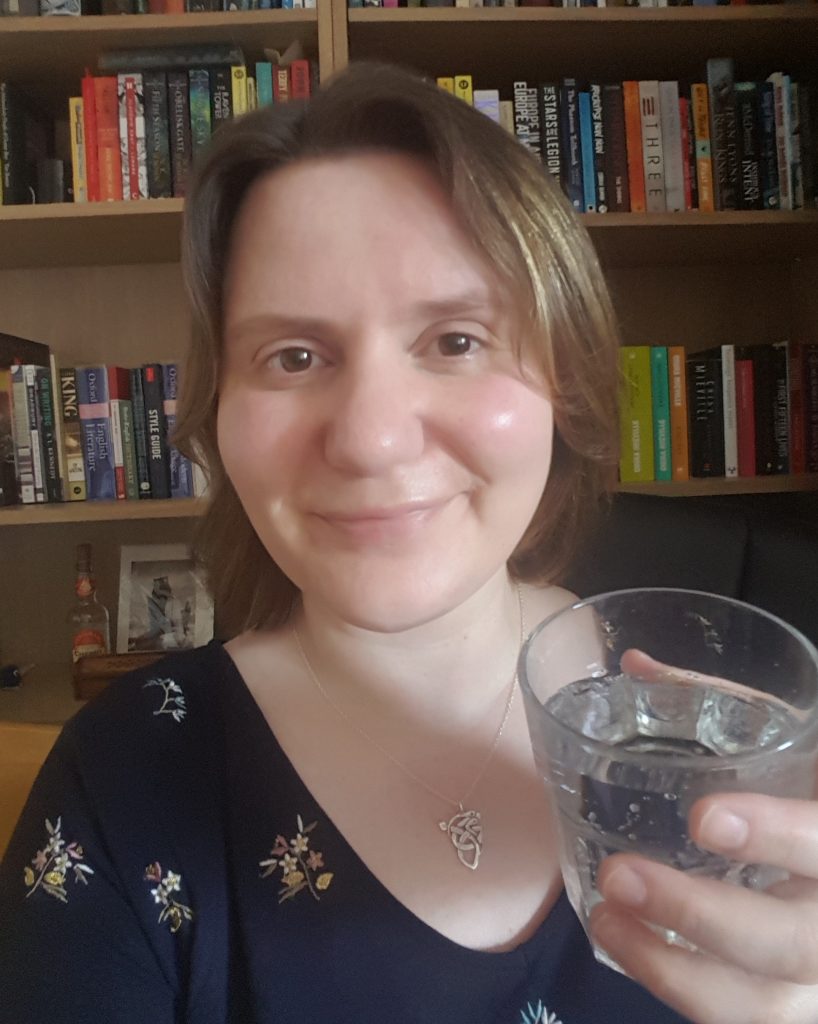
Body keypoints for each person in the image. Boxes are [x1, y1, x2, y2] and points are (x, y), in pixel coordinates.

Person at [1, 61, 816, 1024]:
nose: (373, 438)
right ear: (219, 413)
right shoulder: (124, 780)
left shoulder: (757, 744)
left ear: (566, 380)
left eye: (457, 340)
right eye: (293, 357)